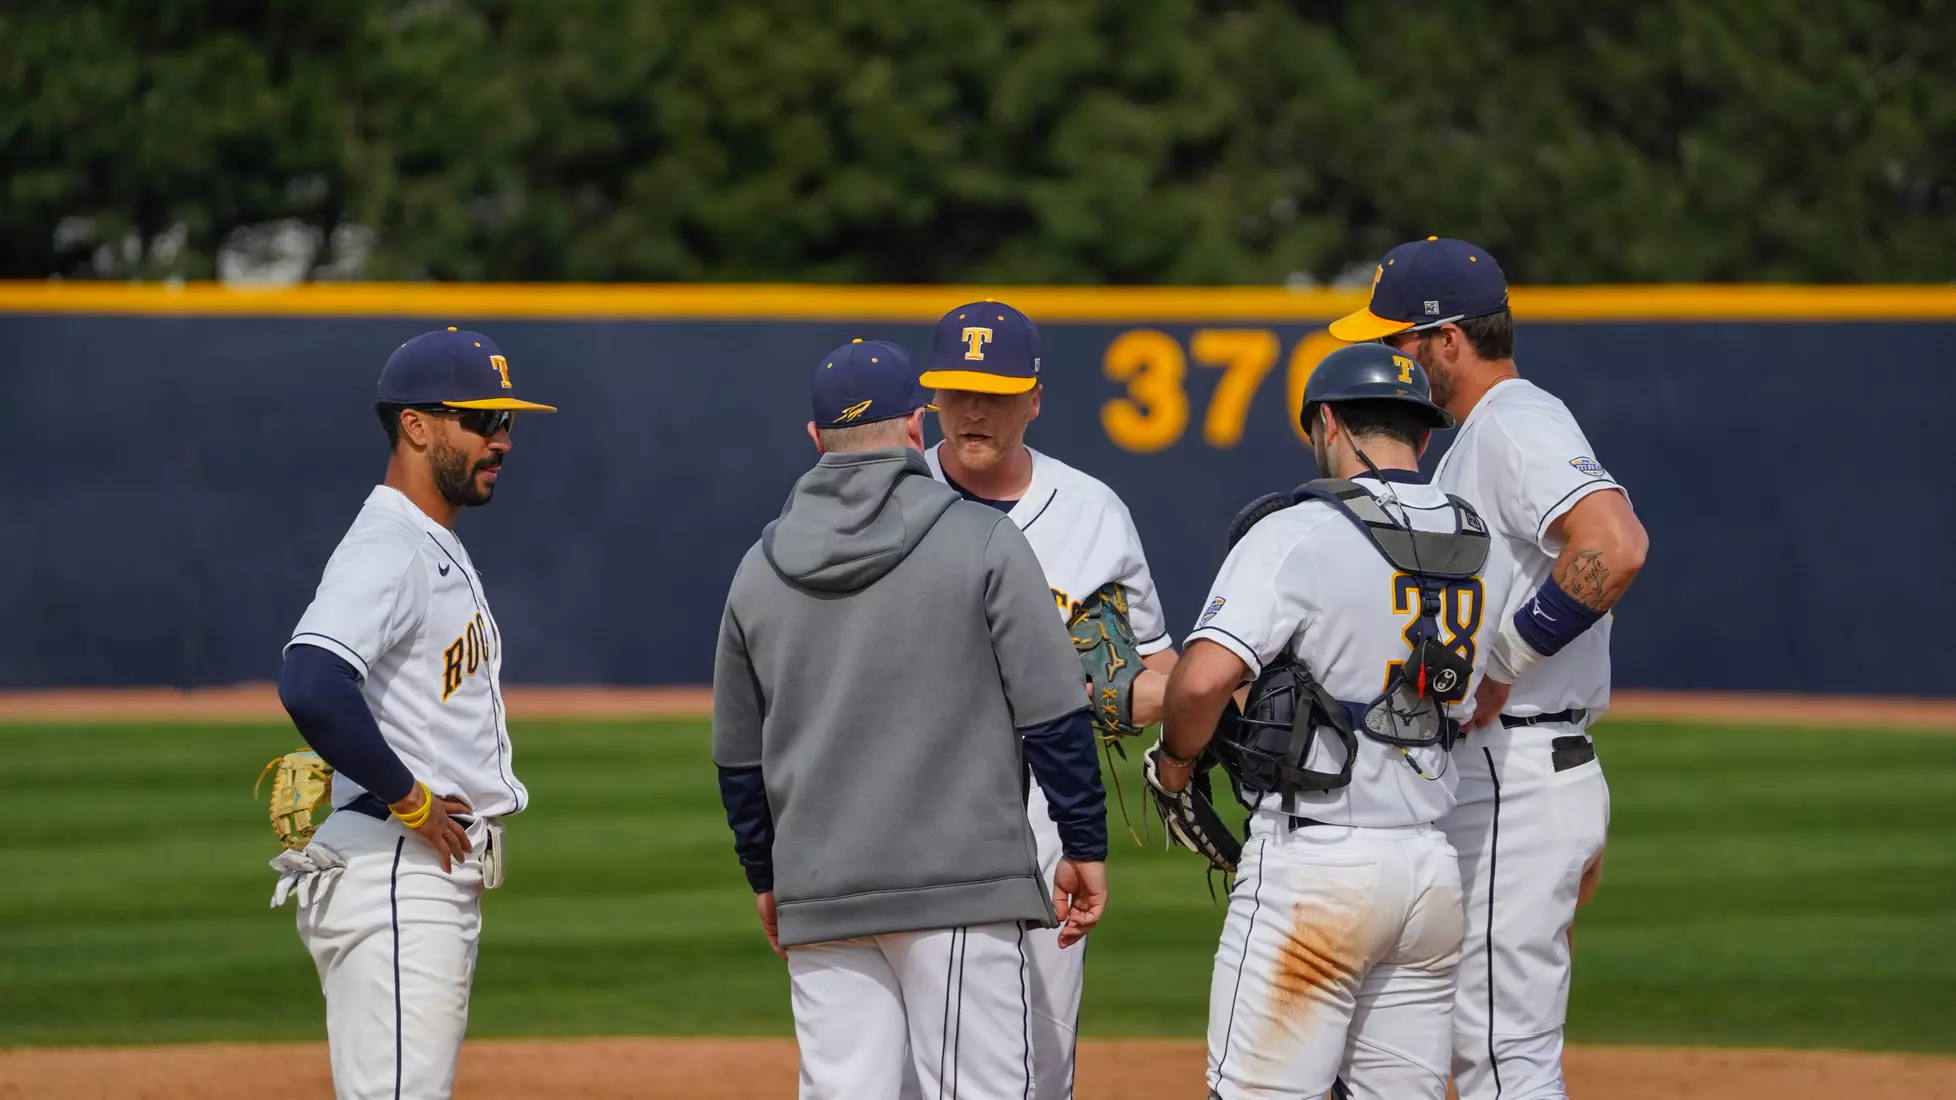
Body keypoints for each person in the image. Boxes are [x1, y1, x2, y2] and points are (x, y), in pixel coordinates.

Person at [711, 339, 1112, 1100]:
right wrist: (1083, 842)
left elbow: (738, 758)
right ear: (915, 428)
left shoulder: (757, 570)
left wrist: (766, 874)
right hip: (961, 888)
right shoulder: (985, 539)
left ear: (815, 438)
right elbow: (1055, 714)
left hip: (820, 891)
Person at [1153, 343, 1517, 1099]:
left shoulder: (1299, 530)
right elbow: (1482, 691)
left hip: (1316, 867)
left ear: (1327, 423)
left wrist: (1175, 764)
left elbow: (1202, 681)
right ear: (1422, 436)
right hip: (1428, 872)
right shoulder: (1484, 545)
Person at [1330, 237, 1650, 1100]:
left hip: (1518, 765)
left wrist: (1507, 656)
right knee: (1458, 1041)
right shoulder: (1482, 434)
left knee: (1502, 1057)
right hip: (1508, 769)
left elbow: (1615, 544)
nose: (1388, 357)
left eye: (1396, 339)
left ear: (1447, 339)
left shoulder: (1514, 422)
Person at [271, 327, 557, 1099]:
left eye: (507, 422)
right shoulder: (391, 547)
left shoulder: (429, 540)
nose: (502, 440)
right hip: (398, 867)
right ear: (416, 426)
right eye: (481, 420)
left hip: (409, 869)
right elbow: (310, 680)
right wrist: (411, 799)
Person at [918, 300, 1179, 1100]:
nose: (973, 410)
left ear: (1033, 399)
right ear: (932, 397)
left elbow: (1154, 666)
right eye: (957, 390)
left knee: (1042, 1064)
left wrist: (1190, 721)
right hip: (909, 810)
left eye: (994, 393)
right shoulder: (895, 494)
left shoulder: (1094, 512)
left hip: (1044, 817)